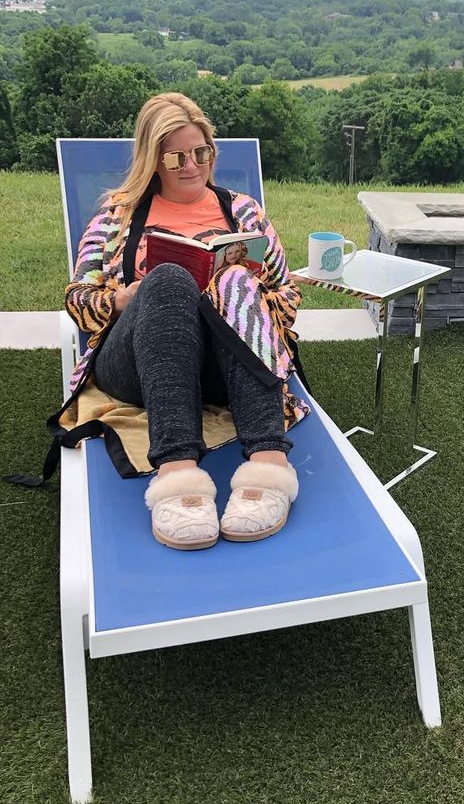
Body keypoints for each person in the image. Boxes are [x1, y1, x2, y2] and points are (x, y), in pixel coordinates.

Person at [63, 92, 309, 550]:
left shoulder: (244, 212)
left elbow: (287, 294)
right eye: (176, 156)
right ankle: (177, 472)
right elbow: (79, 297)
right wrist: (122, 299)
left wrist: (239, 297)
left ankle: (269, 463)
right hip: (139, 366)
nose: (191, 165)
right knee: (170, 278)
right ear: (153, 158)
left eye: (201, 153)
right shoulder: (117, 217)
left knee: (234, 277)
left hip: (226, 367)